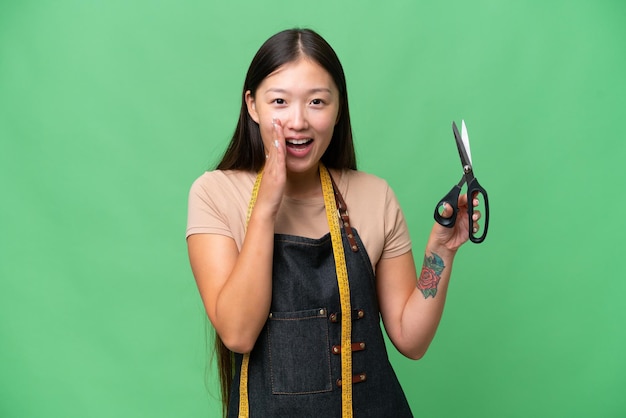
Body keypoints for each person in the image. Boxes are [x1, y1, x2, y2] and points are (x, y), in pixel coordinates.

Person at [186, 28, 481, 418]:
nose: (297, 121)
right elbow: (238, 334)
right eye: (279, 101)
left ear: (338, 108)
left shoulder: (375, 196)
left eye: (317, 102)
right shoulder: (215, 194)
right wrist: (266, 208)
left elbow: (412, 340)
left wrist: (441, 251)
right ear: (252, 106)